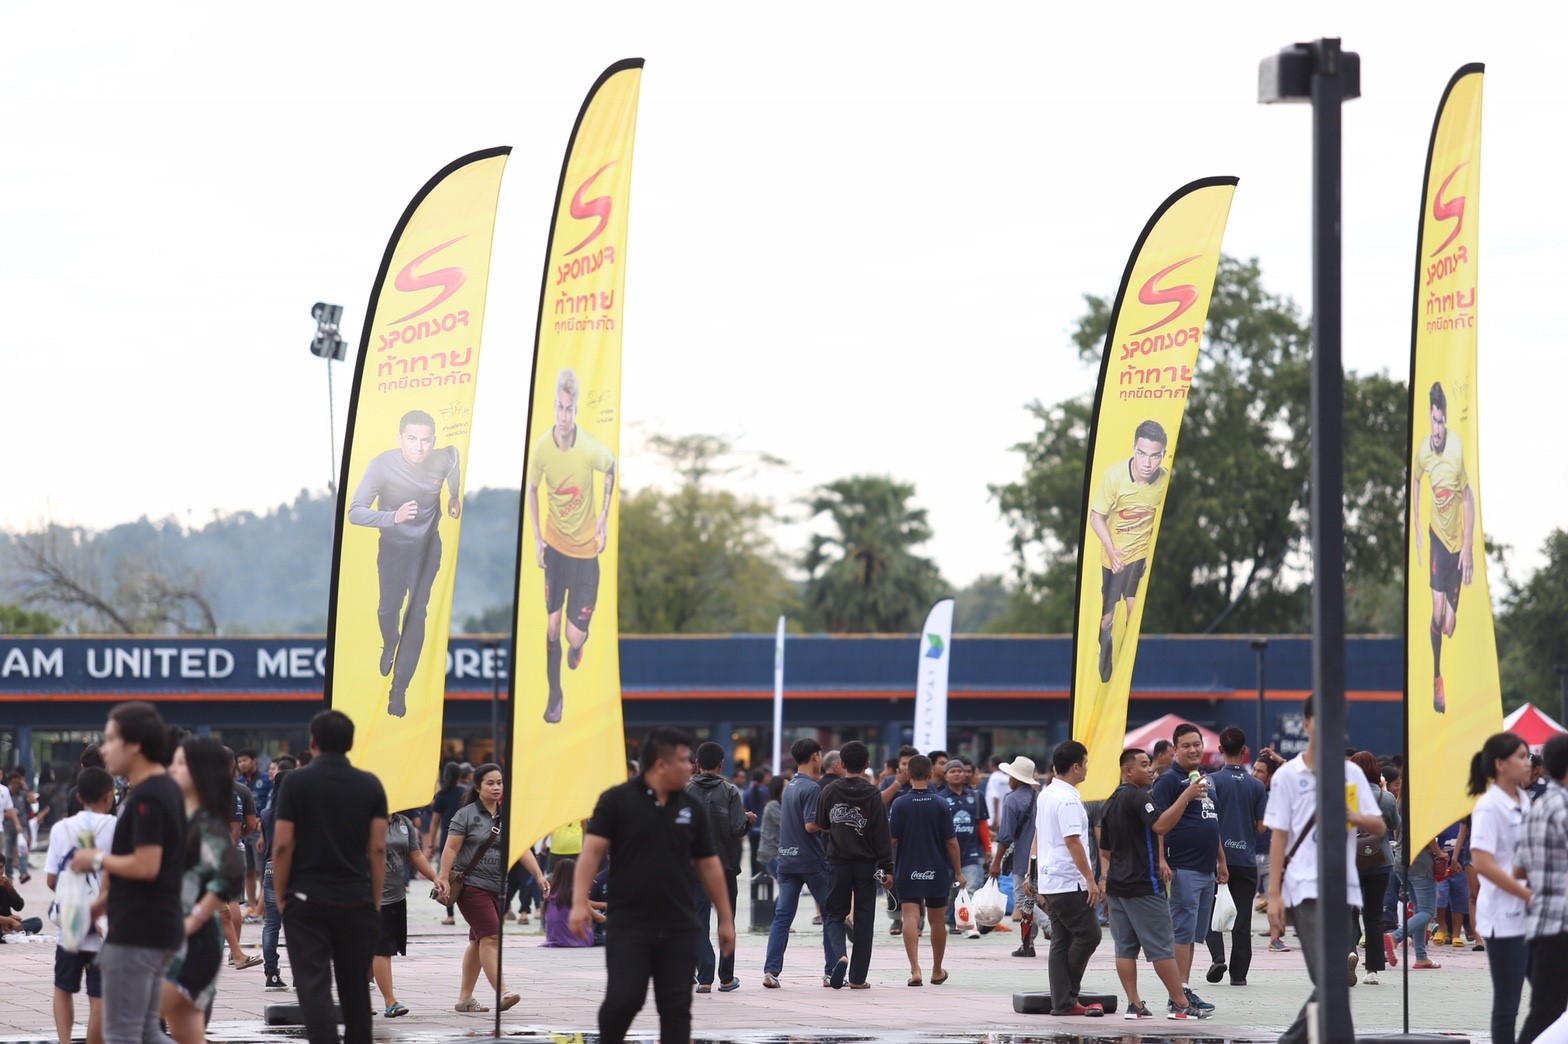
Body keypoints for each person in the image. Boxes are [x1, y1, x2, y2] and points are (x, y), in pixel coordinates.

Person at [569, 726, 734, 1044]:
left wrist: (726, 919)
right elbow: (592, 852)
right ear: (661, 764)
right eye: (684, 760)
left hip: (680, 924)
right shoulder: (616, 801)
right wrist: (579, 903)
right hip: (629, 923)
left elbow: (709, 864)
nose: (691, 767)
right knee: (625, 999)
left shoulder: (691, 807)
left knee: (676, 1008)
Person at [1264, 697, 1385, 1044]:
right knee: (1331, 979)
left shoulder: (1351, 774)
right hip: (1304, 887)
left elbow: (1378, 826)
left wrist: (1352, 815)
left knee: (1333, 983)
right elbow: (1278, 837)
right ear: (1306, 725)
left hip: (1342, 887)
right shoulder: (1288, 776)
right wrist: (1274, 895)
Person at [70, 702, 186, 1044]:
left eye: (110, 740)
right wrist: (101, 904)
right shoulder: (163, 789)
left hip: (138, 929)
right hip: (156, 924)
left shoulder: (147, 797)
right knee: (146, 1032)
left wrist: (96, 859)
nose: (104, 750)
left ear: (134, 745)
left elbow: (147, 865)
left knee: (121, 1034)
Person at [272, 710, 388, 1044]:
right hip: (356, 899)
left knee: (313, 986)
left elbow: (282, 844)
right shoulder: (370, 784)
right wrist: (374, 900)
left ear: (313, 742)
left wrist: (281, 895)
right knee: (356, 988)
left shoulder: (296, 782)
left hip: (306, 898)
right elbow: (378, 848)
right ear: (350, 743)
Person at [348, 409, 462, 718]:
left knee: (416, 613)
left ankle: (399, 690)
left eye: (425, 440)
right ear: (400, 439)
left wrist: (453, 494)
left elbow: (454, 459)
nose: (419, 447)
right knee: (388, 609)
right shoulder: (381, 466)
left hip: (427, 550)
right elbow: (355, 512)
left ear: (433, 441)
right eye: (412, 439)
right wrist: (393, 517)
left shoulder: (443, 458)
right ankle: (390, 642)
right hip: (393, 549)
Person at [527, 367, 617, 725]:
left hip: (585, 555)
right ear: (554, 407)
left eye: (569, 409)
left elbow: (611, 468)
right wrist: (538, 537)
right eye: (559, 408)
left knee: (571, 636)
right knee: (551, 628)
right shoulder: (542, 448)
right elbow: (533, 488)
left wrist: (603, 517)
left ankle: (578, 644)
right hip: (556, 550)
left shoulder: (589, 447)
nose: (563, 416)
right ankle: (555, 697)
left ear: (576, 410)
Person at [1099, 748, 1208, 1020]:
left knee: (1125, 949)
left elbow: (1105, 851)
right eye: (1144, 765)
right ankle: (1180, 1004)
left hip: (1117, 887)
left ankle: (1135, 1005)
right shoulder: (1139, 797)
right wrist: (1186, 796)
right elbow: (1160, 825)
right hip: (1144, 886)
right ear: (1128, 770)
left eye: (1149, 764)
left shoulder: (1110, 801)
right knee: (1161, 947)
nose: (1150, 769)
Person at [439, 763, 546, 1012]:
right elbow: (451, 848)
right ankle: (503, 992)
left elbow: (521, 849)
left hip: (498, 888)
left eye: (499, 782)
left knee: (478, 941)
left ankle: (465, 998)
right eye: (490, 783)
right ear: (478, 787)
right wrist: (443, 877)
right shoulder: (465, 815)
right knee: (491, 937)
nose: (496, 787)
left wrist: (539, 875)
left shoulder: (507, 816)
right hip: (471, 886)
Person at [160, 738, 245, 1044]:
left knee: (131, 1018)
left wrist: (195, 917)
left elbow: (231, 875)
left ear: (201, 773)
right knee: (187, 1033)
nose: (172, 769)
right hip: (177, 939)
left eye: (181, 763)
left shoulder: (205, 823)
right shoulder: (183, 817)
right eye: (173, 762)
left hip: (194, 944)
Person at [1150, 723, 1226, 1011]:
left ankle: (1184, 988)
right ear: (1175, 750)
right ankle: (1177, 996)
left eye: (1197, 744)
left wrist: (1221, 859)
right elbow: (1158, 825)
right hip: (1182, 866)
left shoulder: (1207, 780)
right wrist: (1161, 860)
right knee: (1181, 931)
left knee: (1193, 933)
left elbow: (1211, 819)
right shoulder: (1168, 782)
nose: (1193, 750)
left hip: (1206, 868)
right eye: (1186, 746)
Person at [1412, 381, 1476, 714]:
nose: (1436, 429)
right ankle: (1437, 676)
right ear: (1429, 416)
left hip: (1456, 544)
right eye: (1433, 421)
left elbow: (1468, 497)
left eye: (1441, 422)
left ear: (1446, 420)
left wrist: (1468, 547)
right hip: (1437, 537)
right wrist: (1417, 528)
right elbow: (1415, 479)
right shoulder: (1423, 450)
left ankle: (1447, 624)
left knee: (1449, 627)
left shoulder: (1457, 448)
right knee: (1435, 611)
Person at [1088, 419, 1169, 682]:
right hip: (1116, 555)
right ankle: (1105, 645)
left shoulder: (1164, 481)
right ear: (1134, 449)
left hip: (1139, 554)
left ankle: (1131, 672)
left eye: (1154, 456)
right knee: (1107, 618)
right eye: (1141, 454)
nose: (1147, 463)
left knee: (1134, 612)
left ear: (1163, 455)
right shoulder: (1114, 476)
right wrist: (1111, 551)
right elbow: (1096, 517)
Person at [1468, 732, 1534, 1044]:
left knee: (1551, 994)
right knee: (1508, 1003)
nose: (1528, 763)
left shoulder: (1524, 801)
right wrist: (1527, 894)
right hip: (1504, 918)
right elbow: (1482, 863)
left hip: (1533, 915)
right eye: (1521, 757)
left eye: (1528, 756)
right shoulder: (1488, 806)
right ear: (1500, 764)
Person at [45, 766, 117, 1044]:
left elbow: (52, 879)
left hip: (69, 926)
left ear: (79, 795)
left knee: (63, 988)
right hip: (103, 926)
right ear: (109, 795)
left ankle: (64, 1041)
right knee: (99, 996)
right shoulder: (115, 826)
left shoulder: (60, 828)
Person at [816, 740, 895, 990]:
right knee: (864, 919)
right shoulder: (873, 794)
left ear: (841, 764)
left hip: (837, 862)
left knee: (834, 915)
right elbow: (882, 834)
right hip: (866, 865)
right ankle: (858, 978)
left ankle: (840, 955)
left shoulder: (830, 790)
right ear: (867, 764)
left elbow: (821, 823)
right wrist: (887, 868)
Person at [1034, 740, 1103, 1017]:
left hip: (1051, 878)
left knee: (1061, 940)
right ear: (1075, 767)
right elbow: (1073, 841)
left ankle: (1063, 1001)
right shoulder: (1069, 799)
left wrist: (1032, 872)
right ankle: (1067, 992)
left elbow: (1040, 835)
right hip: (1068, 880)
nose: (1087, 769)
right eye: (1085, 764)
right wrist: (1090, 879)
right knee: (1090, 935)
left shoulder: (1047, 794)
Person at [1202, 726, 1268, 987]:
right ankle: (1238, 975)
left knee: (1210, 911)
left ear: (1220, 750)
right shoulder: (1257, 785)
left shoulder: (1211, 781)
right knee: (1243, 918)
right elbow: (1261, 827)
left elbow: (1207, 818)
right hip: (1246, 860)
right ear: (1244, 750)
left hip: (1216, 858)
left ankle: (1218, 957)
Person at [685, 741, 754, 993]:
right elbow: (737, 828)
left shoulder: (685, 791)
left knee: (698, 922)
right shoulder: (730, 791)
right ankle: (726, 978)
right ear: (722, 764)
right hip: (724, 868)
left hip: (694, 869)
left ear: (697, 764)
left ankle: (704, 978)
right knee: (726, 920)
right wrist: (747, 819)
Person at [764, 738, 832, 989]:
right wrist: (833, 824)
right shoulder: (811, 788)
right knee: (830, 915)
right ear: (815, 756)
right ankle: (832, 971)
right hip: (810, 860)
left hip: (786, 858)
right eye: (820, 755)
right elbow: (811, 825)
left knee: (782, 916)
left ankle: (771, 970)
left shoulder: (789, 786)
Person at [889, 755, 960, 986]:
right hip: (936, 868)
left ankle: (915, 969)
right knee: (937, 920)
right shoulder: (941, 803)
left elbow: (892, 839)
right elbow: (951, 842)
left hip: (907, 867)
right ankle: (937, 969)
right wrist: (958, 872)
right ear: (930, 775)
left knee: (910, 917)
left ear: (908, 775)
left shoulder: (899, 804)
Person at [1516, 733, 1568, 1043]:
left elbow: (1519, 869)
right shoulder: (1563, 807)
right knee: (1547, 1011)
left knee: (1548, 1009)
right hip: (1560, 924)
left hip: (1540, 923)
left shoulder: (1538, 806)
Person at [372, 806, 442, 1018]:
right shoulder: (363, 819)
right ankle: (390, 1002)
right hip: (371, 896)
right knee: (381, 949)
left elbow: (415, 854)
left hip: (396, 895)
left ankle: (355, 998)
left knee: (376, 951)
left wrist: (435, 878)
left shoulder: (403, 822)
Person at [1349, 750, 1400, 984]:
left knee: (1349, 912)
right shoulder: (1386, 798)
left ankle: (1349, 953)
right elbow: (1395, 824)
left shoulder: (1347, 795)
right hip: (1380, 860)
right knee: (1374, 915)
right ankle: (1373, 970)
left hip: (1351, 859)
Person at [988, 755, 1044, 957]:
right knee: (1033, 899)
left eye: (1011, 776)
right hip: (1043, 856)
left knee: (1022, 900)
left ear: (1017, 779)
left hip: (1022, 857)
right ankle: (1027, 944)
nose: (1008, 779)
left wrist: (996, 863)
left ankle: (1049, 927)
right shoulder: (1040, 797)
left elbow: (1005, 836)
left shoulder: (1012, 800)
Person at [935, 756, 987, 937]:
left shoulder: (976, 796)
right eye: (952, 771)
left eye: (960, 771)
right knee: (949, 891)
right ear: (945, 775)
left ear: (966, 774)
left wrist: (988, 850)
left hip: (971, 852)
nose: (957, 774)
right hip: (945, 854)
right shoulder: (939, 798)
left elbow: (982, 825)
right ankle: (952, 921)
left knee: (970, 888)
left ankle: (967, 924)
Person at [258, 765, 291, 991]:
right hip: (294, 869)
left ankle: (271, 974)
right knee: (298, 925)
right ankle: (301, 974)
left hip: (271, 868)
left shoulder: (266, 814)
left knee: (271, 924)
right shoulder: (299, 813)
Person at [425, 761, 467, 926]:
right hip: (464, 839)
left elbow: (435, 822)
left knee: (446, 875)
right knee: (463, 873)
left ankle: (450, 915)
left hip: (447, 841)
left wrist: (431, 844)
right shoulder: (464, 793)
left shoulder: (441, 795)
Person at [542, 857, 602, 946]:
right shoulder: (575, 894)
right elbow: (597, 917)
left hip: (554, 939)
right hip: (579, 940)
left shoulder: (550, 895)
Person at [757, 775, 785, 880]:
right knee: (785, 882)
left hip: (774, 851)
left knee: (785, 883)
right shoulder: (773, 805)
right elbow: (785, 824)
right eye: (786, 786)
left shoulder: (778, 804)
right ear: (779, 788)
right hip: (770, 852)